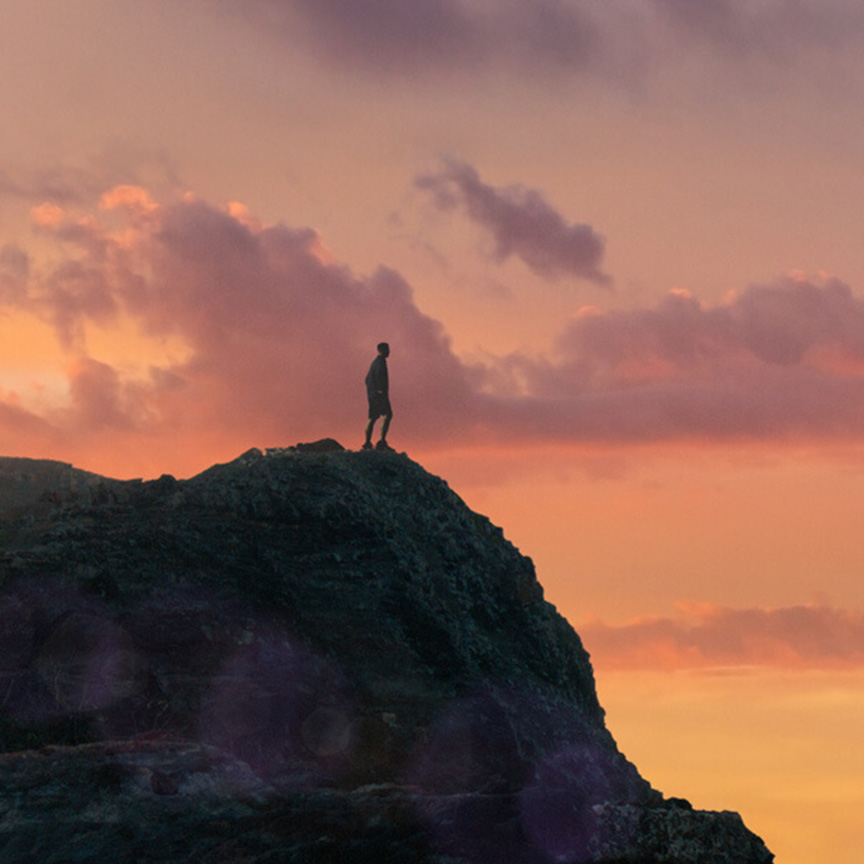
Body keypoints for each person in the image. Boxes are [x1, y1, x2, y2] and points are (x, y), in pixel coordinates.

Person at [363, 342, 393, 451]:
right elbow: (380, 378)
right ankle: (381, 442)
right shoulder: (380, 363)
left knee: (373, 417)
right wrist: (380, 391)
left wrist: (371, 392)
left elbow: (366, 379)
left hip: (372, 395)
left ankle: (367, 443)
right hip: (379, 395)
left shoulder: (374, 363)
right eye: (388, 349)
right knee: (388, 415)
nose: (389, 352)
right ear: (383, 350)